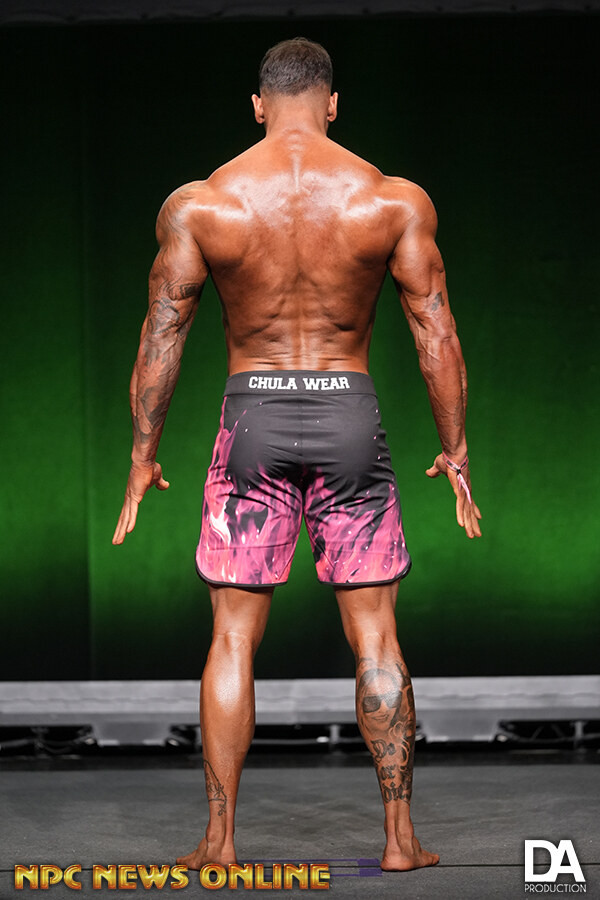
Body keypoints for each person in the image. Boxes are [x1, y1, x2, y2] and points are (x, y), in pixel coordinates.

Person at [113, 36, 482, 873]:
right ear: (333, 104)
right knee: (376, 635)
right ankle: (399, 841)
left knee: (233, 639)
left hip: (254, 415)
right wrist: (454, 448)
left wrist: (143, 453)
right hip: (350, 413)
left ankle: (219, 839)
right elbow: (437, 333)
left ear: (256, 106)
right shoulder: (388, 199)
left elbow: (163, 332)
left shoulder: (205, 203)